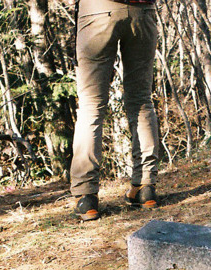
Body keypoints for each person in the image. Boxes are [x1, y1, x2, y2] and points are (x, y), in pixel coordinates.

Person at [71, 0, 159, 221]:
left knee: (91, 104)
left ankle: (86, 197)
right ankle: (145, 186)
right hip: (142, 11)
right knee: (141, 100)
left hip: (97, 10)